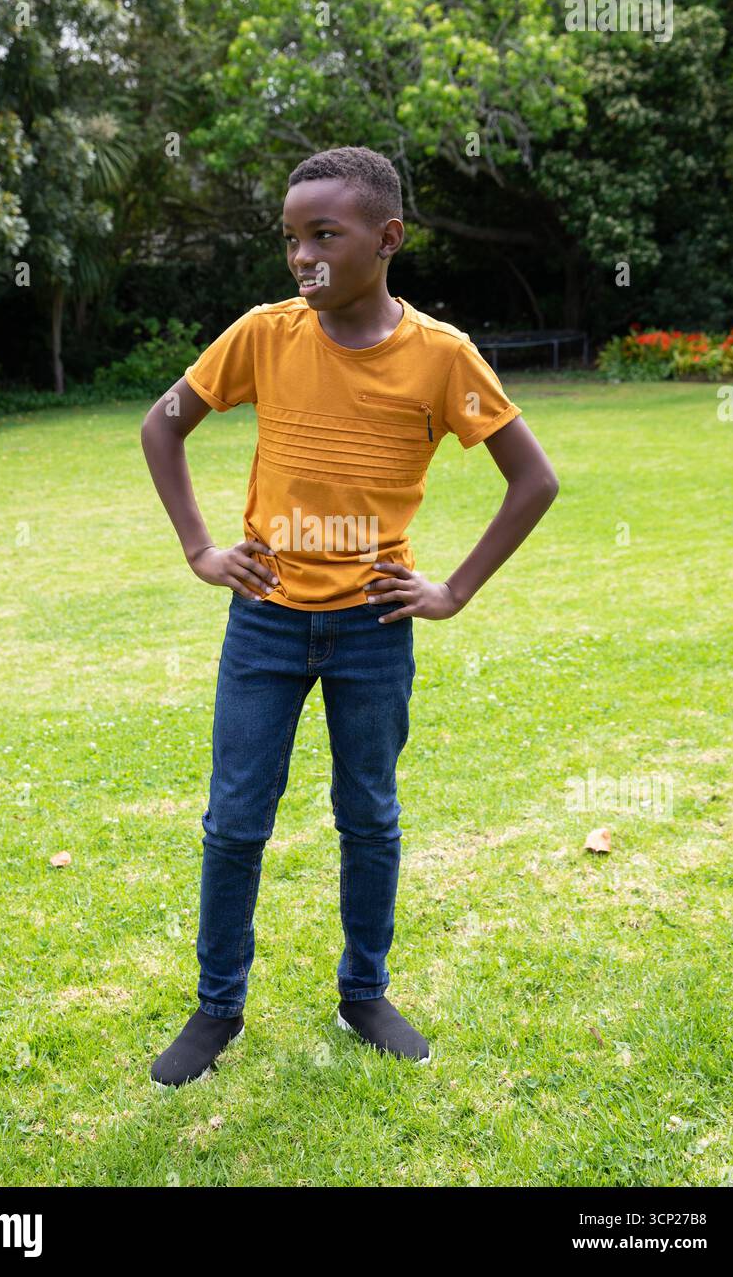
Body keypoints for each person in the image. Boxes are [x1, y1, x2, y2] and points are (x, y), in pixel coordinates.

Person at [141, 145, 559, 1086]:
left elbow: (534, 480)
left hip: (375, 627)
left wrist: (451, 590)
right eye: (292, 239)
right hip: (267, 623)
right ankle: (218, 1010)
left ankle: (363, 991)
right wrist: (201, 550)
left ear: (388, 237)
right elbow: (162, 423)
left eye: (323, 235)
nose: (302, 258)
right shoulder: (262, 334)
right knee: (234, 822)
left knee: (368, 816)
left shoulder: (443, 357)